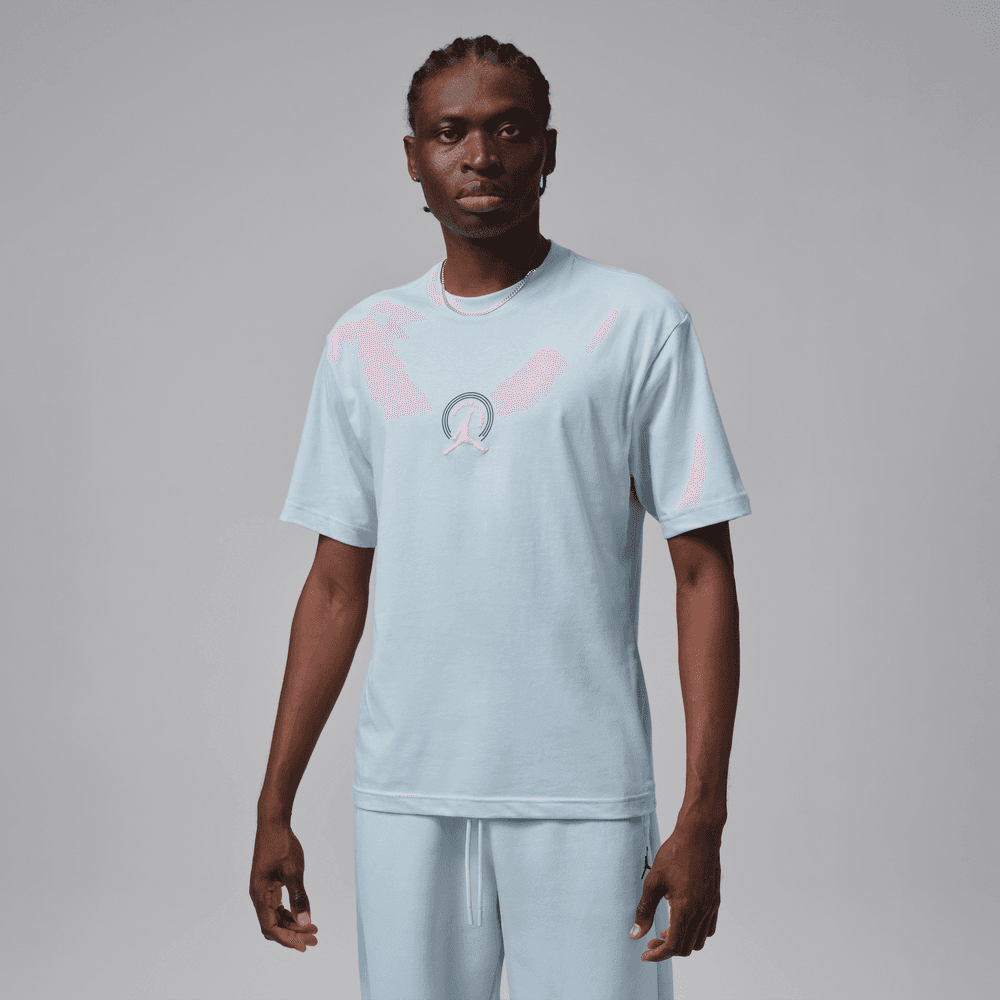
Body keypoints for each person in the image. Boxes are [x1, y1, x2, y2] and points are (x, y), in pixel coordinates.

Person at [249, 34, 751, 1000]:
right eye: (451, 133)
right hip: (407, 792)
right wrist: (275, 803)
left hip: (586, 796)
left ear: (549, 150)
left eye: (510, 129)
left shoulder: (635, 322)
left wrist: (703, 815)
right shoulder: (365, 342)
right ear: (413, 158)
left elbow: (702, 571)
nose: (480, 155)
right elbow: (334, 586)